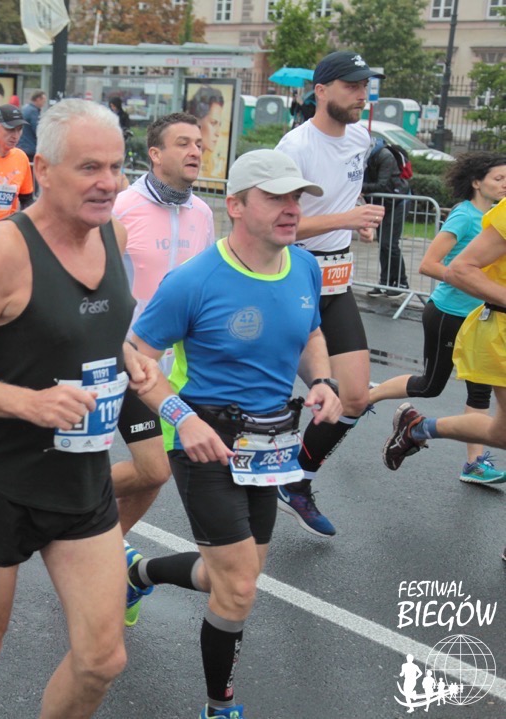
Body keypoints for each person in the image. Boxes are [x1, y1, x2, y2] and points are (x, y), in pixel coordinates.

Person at [0, 98, 159, 719]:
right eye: (89, 167)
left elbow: (83, 329)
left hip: (83, 482)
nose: (109, 183)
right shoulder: (5, 250)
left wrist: (129, 357)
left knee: (102, 659)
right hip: (3, 482)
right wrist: (28, 402)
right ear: (42, 169)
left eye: (116, 166)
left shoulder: (113, 234)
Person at [126, 150, 341, 719]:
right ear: (237, 205)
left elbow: (310, 332)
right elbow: (136, 357)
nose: (291, 209)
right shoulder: (193, 280)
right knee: (240, 585)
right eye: (276, 198)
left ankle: (138, 573)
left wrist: (322, 380)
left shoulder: (304, 266)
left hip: (269, 446)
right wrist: (182, 418)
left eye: (296, 198)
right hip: (204, 440)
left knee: (234, 577)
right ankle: (218, 707)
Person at [272, 51, 386, 537]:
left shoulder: (360, 138)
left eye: (365, 86)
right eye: (352, 86)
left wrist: (357, 217)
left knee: (355, 397)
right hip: (293, 279)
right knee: (269, 398)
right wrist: (345, 218)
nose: (362, 95)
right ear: (320, 91)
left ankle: (297, 480)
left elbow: (343, 194)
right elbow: (275, 224)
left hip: (337, 281)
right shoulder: (294, 147)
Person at [111, 112, 216, 625]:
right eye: (183, 143)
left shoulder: (203, 212)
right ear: (155, 154)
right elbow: (95, 282)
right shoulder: (123, 208)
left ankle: (104, 552)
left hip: (179, 369)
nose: (196, 151)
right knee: (153, 468)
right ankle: (65, 496)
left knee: (154, 476)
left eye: (199, 143)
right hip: (128, 359)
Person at [370, 153, 506, 483]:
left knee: (479, 396)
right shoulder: (465, 216)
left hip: (480, 317)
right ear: (477, 182)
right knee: (430, 384)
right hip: (449, 312)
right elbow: (429, 264)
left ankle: (473, 464)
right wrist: (469, 281)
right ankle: (364, 397)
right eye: (499, 178)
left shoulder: (492, 216)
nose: (505, 184)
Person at [364, 138, 411, 296]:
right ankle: (385, 282)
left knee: (389, 244)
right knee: (384, 245)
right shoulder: (368, 156)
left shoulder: (385, 155)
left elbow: (382, 185)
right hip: (386, 202)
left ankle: (401, 282)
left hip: (398, 201)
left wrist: (359, 188)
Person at [186, 86, 226, 179]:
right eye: (213, 123)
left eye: (219, 125)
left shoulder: (214, 165)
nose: (217, 133)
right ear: (197, 121)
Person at [19, 90, 45, 163]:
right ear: (38, 99)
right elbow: (37, 130)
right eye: (43, 101)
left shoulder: (24, 108)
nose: (43, 104)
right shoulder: (33, 112)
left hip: (22, 145)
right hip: (30, 147)